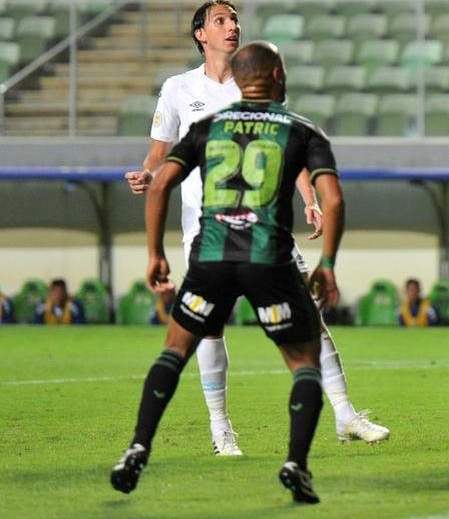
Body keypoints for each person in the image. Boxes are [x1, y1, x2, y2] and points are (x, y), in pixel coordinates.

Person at [123, 0, 386, 454]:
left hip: (268, 226)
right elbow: (158, 152)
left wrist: (308, 200)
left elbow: (286, 144)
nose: (231, 26)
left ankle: (345, 414)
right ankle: (220, 427)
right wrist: (148, 174)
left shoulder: (253, 87)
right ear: (200, 34)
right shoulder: (179, 89)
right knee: (210, 327)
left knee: (312, 316)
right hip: (206, 227)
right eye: (220, 20)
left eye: (235, 20)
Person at [110, 41, 344, 504]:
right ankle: (296, 463)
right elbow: (332, 199)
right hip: (268, 260)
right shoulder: (300, 130)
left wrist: (154, 252)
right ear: (276, 75)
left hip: (211, 257)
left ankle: (138, 446)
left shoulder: (206, 126)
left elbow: (158, 184)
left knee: (175, 349)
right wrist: (329, 264)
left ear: (240, 78)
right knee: (303, 362)